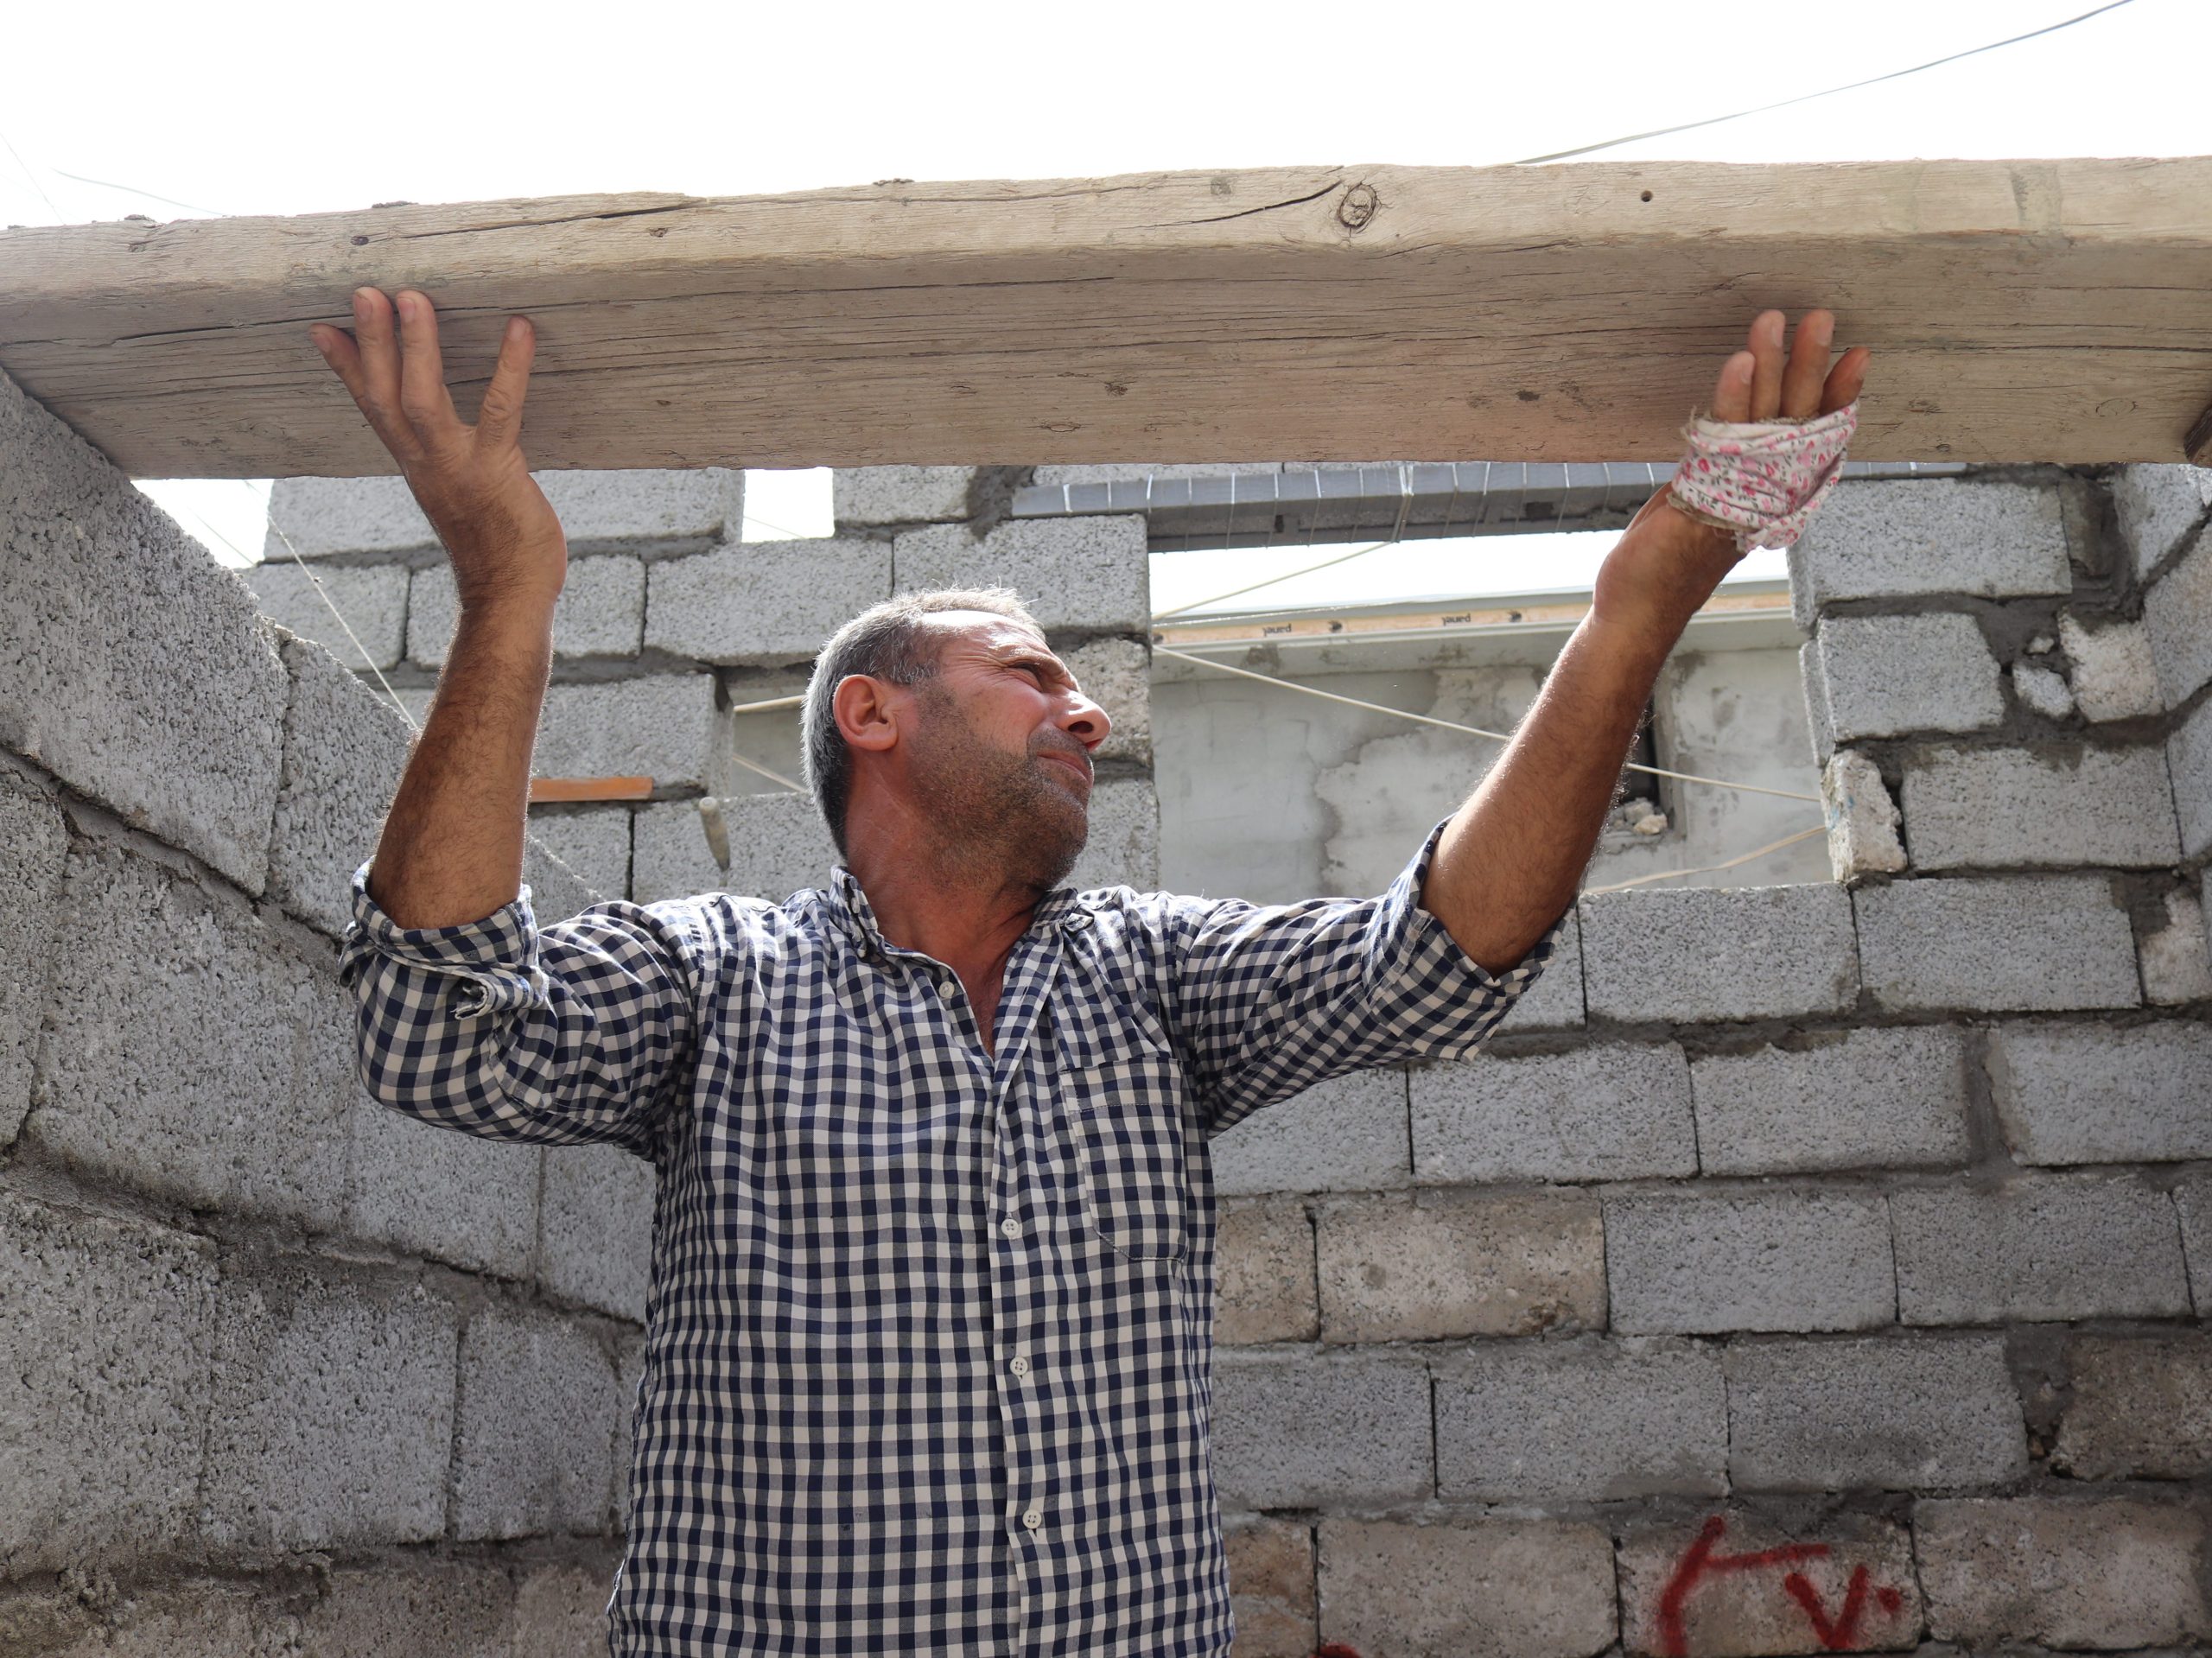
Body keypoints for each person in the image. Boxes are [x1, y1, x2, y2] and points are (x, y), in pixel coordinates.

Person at [312, 288, 1869, 1657]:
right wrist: (507, 585)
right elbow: (444, 1038)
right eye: (1029, 674)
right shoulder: (718, 980)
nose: (1089, 713)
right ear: (873, 715)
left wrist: (1642, 601)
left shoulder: (1150, 974)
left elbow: (1435, 963)